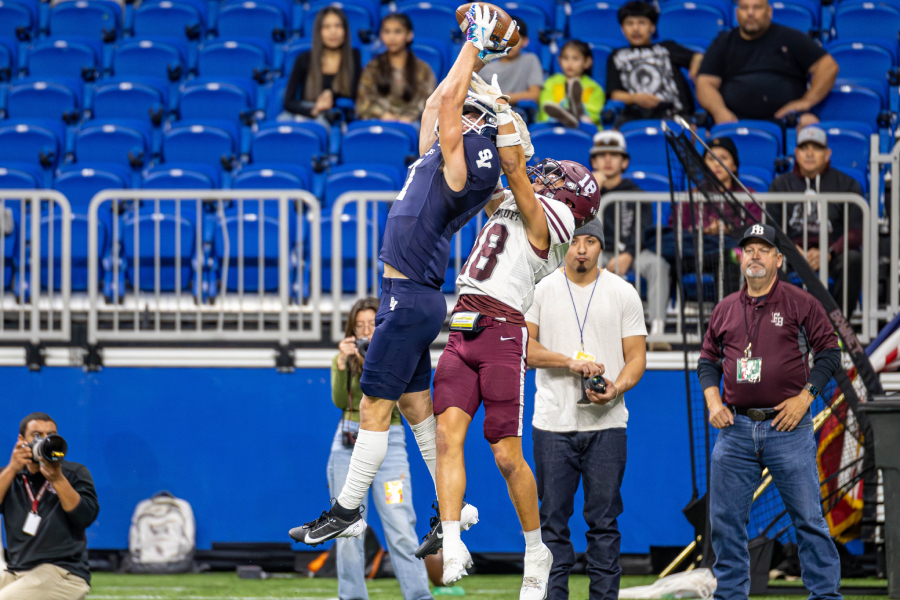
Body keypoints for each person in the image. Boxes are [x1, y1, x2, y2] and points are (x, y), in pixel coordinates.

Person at [289, 5, 516, 546]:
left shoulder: (462, 169)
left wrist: (475, 48)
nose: (457, 118)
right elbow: (441, 102)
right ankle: (450, 512)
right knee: (419, 413)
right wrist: (475, 48)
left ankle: (346, 508)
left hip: (408, 298)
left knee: (372, 405)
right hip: (411, 296)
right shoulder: (439, 158)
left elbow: (452, 106)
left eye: (468, 119)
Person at [430, 85, 600, 595]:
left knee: (506, 454)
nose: (548, 176)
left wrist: (507, 115)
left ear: (568, 197)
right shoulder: (521, 204)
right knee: (446, 438)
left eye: (557, 178)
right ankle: (453, 538)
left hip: (503, 330)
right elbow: (495, 180)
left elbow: (517, 173)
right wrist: (495, 113)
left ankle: (535, 550)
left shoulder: (552, 221)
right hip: (462, 321)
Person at [696, 223, 843, 600]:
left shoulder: (800, 301)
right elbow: (707, 360)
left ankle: (826, 597)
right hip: (736, 427)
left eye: (764, 249)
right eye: (749, 249)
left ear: (779, 259)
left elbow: (829, 352)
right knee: (725, 523)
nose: (755, 256)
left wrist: (806, 397)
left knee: (808, 520)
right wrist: (713, 401)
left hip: (788, 427)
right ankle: (730, 596)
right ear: (740, 258)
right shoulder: (726, 308)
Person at [524, 219, 647, 600]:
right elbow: (524, 350)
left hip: (607, 424)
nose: (581, 249)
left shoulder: (623, 293)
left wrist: (616, 387)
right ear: (564, 246)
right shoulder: (541, 290)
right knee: (552, 526)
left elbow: (636, 358)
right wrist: (568, 362)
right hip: (552, 424)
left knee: (604, 525)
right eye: (575, 241)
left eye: (590, 241)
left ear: (601, 247)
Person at [328, 298, 432, 600]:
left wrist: (380, 354)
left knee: (400, 523)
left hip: (390, 441)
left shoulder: (398, 353)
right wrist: (341, 364)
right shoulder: (344, 358)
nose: (366, 332)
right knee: (346, 529)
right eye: (359, 326)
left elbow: (401, 401)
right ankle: (351, 596)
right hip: (347, 440)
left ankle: (419, 595)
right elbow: (339, 400)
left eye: (372, 325)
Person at [0, 413, 99, 600]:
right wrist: (12, 468)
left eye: (50, 435)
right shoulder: (9, 476)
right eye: (37, 435)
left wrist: (57, 479)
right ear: (22, 440)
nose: (44, 441)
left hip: (63, 573)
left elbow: (85, 517)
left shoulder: (74, 473)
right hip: (16, 572)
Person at [768, 125, 864, 314]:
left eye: (817, 148)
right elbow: (772, 228)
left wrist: (827, 252)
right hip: (791, 252)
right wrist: (792, 251)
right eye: (804, 148)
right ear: (796, 153)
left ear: (827, 154)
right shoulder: (780, 185)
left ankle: (839, 327)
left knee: (853, 259)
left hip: (831, 253)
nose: (810, 154)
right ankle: (784, 326)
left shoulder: (847, 184)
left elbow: (855, 232)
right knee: (769, 261)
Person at [696, 0, 838, 127]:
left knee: (809, 123)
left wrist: (807, 101)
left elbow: (828, 66)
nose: (750, 13)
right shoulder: (722, 43)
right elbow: (705, 83)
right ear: (737, 13)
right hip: (733, 121)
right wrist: (720, 112)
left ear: (769, 12)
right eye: (745, 8)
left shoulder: (789, 37)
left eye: (757, 7)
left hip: (787, 121)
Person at [590, 130, 671, 345]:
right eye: (601, 155)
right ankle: (582, 329)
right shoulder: (586, 193)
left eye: (614, 155)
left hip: (633, 252)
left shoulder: (637, 192)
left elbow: (644, 231)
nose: (607, 160)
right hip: (597, 252)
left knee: (658, 265)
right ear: (593, 161)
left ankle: (657, 332)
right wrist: (592, 188)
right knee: (571, 264)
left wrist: (628, 254)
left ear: (624, 162)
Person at [667, 137, 762, 298]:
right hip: (694, 253)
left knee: (731, 258)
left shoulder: (748, 196)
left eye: (723, 158)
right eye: (711, 159)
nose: (717, 163)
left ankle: (726, 319)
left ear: (734, 165)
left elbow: (758, 230)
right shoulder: (690, 197)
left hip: (727, 255)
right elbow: (672, 229)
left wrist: (729, 229)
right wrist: (694, 231)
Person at [607, 1, 703, 124]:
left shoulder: (667, 48)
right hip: (634, 118)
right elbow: (614, 94)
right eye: (629, 24)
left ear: (652, 27)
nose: (635, 29)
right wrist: (636, 98)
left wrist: (695, 62)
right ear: (622, 29)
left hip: (675, 115)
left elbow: (699, 57)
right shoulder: (616, 55)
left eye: (642, 23)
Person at [283, 7, 362, 123]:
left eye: (338, 26)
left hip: (336, 115)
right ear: (319, 31)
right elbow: (288, 102)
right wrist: (314, 110)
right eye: (327, 27)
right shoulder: (303, 59)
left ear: (345, 30)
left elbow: (355, 95)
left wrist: (331, 95)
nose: (333, 32)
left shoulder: (354, 56)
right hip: (308, 111)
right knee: (283, 122)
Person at [356, 14, 436, 123]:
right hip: (379, 121)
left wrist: (409, 118)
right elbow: (363, 102)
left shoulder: (423, 69)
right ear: (381, 35)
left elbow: (428, 101)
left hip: (413, 123)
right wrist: (382, 115)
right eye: (387, 32)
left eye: (397, 32)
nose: (391, 37)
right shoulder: (372, 67)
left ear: (409, 35)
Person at [538, 40, 605, 129]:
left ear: (587, 62)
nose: (570, 63)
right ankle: (568, 113)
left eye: (575, 59)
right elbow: (545, 106)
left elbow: (594, 114)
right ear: (559, 60)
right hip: (553, 124)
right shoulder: (551, 82)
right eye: (565, 58)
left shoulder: (594, 87)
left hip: (583, 127)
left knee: (586, 119)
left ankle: (576, 113)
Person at [478, 17, 543, 107]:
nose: (509, 44)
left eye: (515, 39)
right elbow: (478, 99)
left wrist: (499, 98)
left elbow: (534, 95)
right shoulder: (485, 68)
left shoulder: (530, 60)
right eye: (505, 38)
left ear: (525, 41)